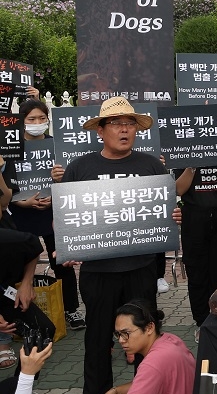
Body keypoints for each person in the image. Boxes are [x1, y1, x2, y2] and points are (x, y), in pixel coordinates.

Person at [49, 97, 169, 394]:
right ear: (100, 130)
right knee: (98, 340)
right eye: (116, 123)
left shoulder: (151, 165)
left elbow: (164, 211)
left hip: (141, 268)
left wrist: (172, 214)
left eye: (129, 124)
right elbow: (64, 217)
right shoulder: (79, 168)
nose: (124, 130)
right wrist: (66, 246)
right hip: (98, 273)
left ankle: (146, 388)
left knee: (146, 339)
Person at [7, 99, 85, 331]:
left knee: (63, 262)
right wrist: (22, 202)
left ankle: (71, 309)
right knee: (19, 266)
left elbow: (73, 179)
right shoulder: (11, 147)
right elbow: (6, 186)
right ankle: (21, 313)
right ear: (22, 121)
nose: (37, 123)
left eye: (42, 118)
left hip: (55, 212)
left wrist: (58, 186)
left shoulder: (58, 145)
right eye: (31, 119)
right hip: (22, 215)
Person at [174, 155, 217, 338]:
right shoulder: (184, 152)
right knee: (196, 273)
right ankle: (202, 321)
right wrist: (191, 167)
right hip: (193, 221)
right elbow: (179, 189)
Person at [0, 226, 56, 377]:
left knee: (42, 330)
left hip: (4, 290)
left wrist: (26, 283)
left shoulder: (10, 238)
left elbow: (34, 247)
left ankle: (22, 385)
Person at [108, 298, 195, 394]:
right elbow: (145, 383)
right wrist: (116, 390)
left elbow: (149, 374)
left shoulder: (151, 365)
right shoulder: (172, 339)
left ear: (149, 328)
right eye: (118, 334)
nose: (121, 340)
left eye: (126, 333)